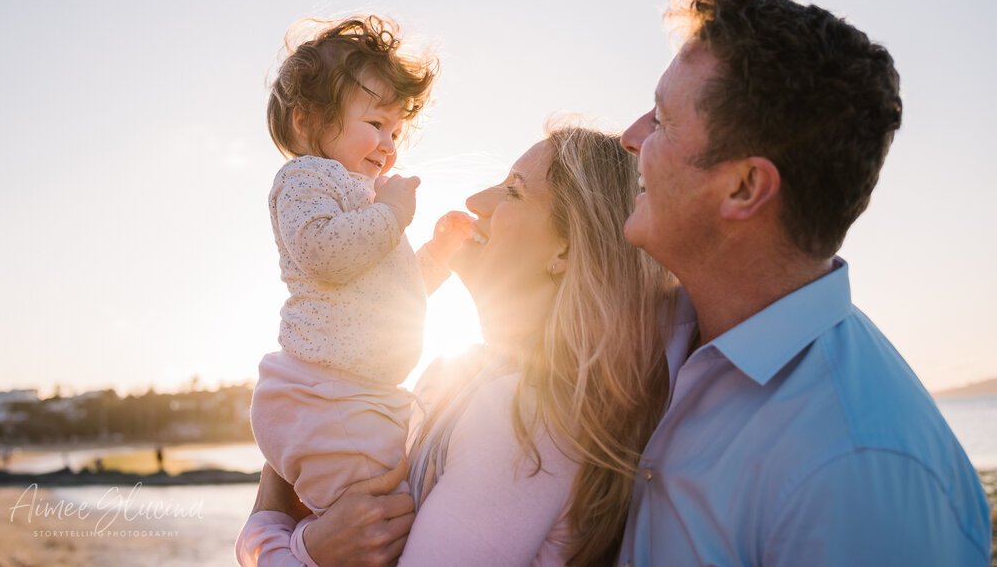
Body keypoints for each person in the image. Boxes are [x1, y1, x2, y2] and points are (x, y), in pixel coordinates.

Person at [616, 0, 991, 565]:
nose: (630, 138)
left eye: (662, 121)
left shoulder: (857, 468)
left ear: (743, 188)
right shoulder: (655, 336)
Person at [237, 124, 679, 566]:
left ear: (564, 249)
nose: (475, 201)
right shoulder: (457, 379)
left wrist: (272, 531)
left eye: (514, 192)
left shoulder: (523, 414)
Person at [250, 15, 470, 518]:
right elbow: (326, 255)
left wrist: (438, 253)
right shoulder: (305, 178)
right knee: (387, 517)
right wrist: (391, 213)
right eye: (375, 125)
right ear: (306, 121)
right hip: (326, 396)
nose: (390, 146)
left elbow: (389, 291)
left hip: (351, 396)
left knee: (401, 502)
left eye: (396, 131)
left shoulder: (360, 198)